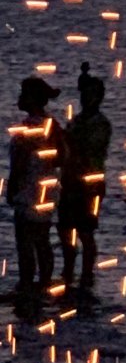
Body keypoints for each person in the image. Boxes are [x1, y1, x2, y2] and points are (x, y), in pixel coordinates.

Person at [7, 80, 62, 308]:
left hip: (29, 189)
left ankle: (27, 284)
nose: (19, 97)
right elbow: (63, 155)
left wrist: (11, 188)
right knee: (42, 239)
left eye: (23, 94)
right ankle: (45, 281)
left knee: (25, 241)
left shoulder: (27, 129)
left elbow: (19, 164)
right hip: (47, 188)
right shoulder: (53, 126)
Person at [58, 73, 112, 302]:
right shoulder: (77, 121)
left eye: (90, 94)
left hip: (90, 183)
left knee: (86, 230)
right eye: (83, 94)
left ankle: (87, 274)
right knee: (65, 229)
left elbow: (88, 148)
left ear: (99, 97)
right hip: (70, 181)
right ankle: (69, 271)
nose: (85, 98)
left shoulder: (100, 124)